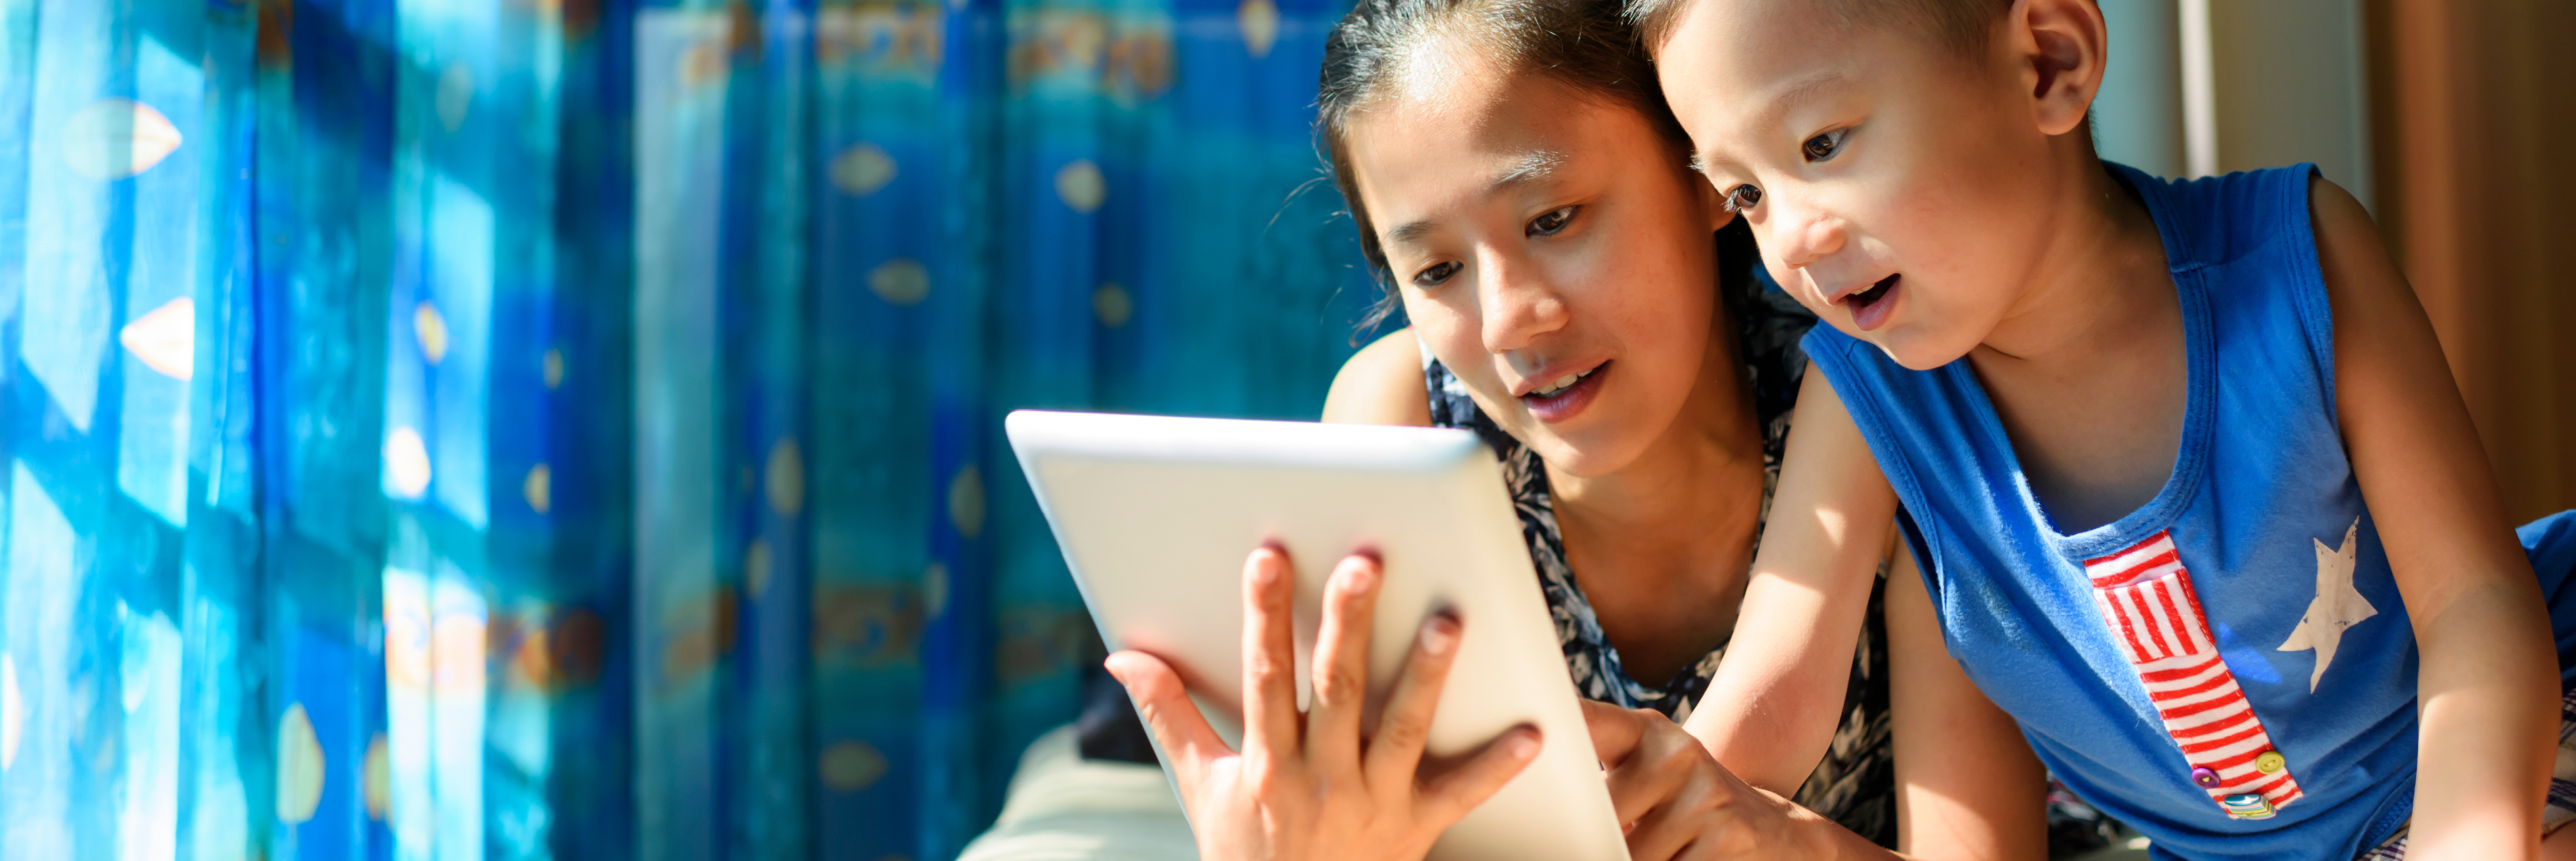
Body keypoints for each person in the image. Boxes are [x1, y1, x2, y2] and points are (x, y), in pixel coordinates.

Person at [1582, 0, 2576, 858]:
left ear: (2048, 63)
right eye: (1746, 194)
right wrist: (1624, 796)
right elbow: (1776, 695)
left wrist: (2466, 837)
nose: (1791, 239)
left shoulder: (2295, 258)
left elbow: (2478, 607)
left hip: (2505, 747)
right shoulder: (1866, 393)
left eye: (1823, 145)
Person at [1085, 0, 1918, 858]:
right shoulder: (1401, 424)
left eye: (1552, 219)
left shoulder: (1867, 374)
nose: (1507, 323)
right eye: (1437, 269)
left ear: (1705, 172)